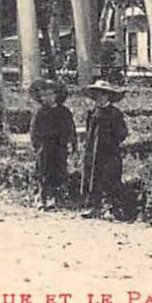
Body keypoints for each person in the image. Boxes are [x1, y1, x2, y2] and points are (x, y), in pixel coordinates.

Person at [80, 81, 128, 219]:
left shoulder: (115, 113)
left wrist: (112, 142)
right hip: (93, 151)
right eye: (97, 95)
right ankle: (95, 207)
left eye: (103, 94)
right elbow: (89, 131)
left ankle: (112, 209)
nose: (100, 97)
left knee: (110, 178)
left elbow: (122, 132)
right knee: (93, 178)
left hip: (109, 152)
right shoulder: (92, 113)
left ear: (109, 96)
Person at [28, 78, 75, 210]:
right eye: (43, 95)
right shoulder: (40, 112)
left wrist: (72, 142)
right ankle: (41, 198)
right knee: (43, 172)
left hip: (59, 146)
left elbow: (70, 128)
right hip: (45, 147)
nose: (46, 98)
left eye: (50, 94)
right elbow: (33, 131)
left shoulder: (64, 112)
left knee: (58, 171)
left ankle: (56, 198)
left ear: (56, 95)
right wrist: (37, 145)